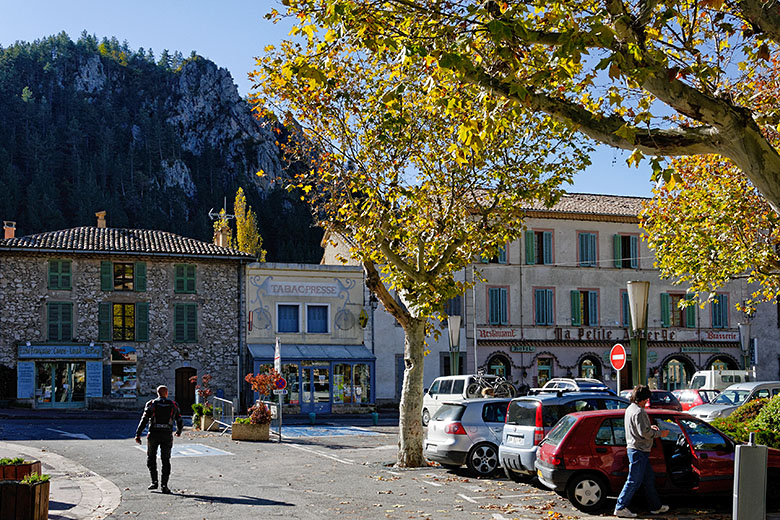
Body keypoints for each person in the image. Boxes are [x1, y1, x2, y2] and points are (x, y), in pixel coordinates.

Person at [614, 385, 670, 518]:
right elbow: (644, 433)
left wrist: (650, 427)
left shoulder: (630, 409)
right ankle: (620, 507)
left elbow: (640, 428)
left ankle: (655, 506)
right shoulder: (639, 412)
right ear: (643, 399)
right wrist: (661, 433)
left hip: (636, 449)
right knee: (633, 481)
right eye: (647, 399)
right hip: (639, 450)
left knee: (648, 479)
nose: (647, 402)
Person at [135, 385, 183, 494]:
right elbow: (179, 419)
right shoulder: (173, 404)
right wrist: (179, 431)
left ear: (157, 393)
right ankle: (164, 485)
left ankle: (154, 481)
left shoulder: (151, 404)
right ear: (166, 393)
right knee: (166, 459)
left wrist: (138, 434)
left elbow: (144, 420)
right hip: (167, 434)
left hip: (153, 434)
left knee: (151, 457)